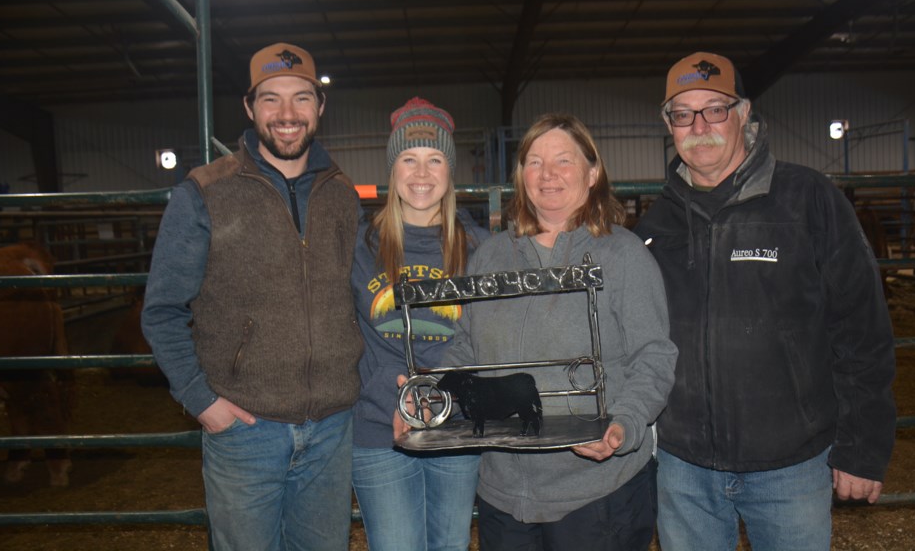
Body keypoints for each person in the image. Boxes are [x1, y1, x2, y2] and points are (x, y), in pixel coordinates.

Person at [634, 52, 897, 550]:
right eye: (683, 113)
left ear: (744, 113)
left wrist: (862, 448)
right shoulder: (656, 226)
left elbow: (862, 331)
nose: (699, 125)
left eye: (715, 108)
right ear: (669, 125)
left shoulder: (808, 200)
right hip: (684, 468)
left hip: (791, 465)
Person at [402, 113, 678, 551]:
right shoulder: (491, 256)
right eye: (534, 162)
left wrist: (624, 425)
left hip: (595, 491)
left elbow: (654, 355)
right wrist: (433, 393)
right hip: (504, 494)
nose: (547, 175)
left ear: (592, 173)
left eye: (563, 161)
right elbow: (467, 348)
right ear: (521, 176)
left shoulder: (623, 255)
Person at [141, 42, 363, 551]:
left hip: (330, 427)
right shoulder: (203, 193)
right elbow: (162, 311)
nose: (287, 114)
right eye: (271, 99)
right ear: (249, 107)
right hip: (244, 427)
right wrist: (201, 400)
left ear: (320, 107)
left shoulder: (341, 194)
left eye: (302, 98)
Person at [351, 97, 490, 551]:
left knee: (449, 544)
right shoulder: (361, 246)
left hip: (456, 425)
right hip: (378, 429)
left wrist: (435, 394)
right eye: (408, 159)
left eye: (435, 160)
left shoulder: (480, 249)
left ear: (451, 171)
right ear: (392, 170)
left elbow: (486, 339)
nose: (422, 173)